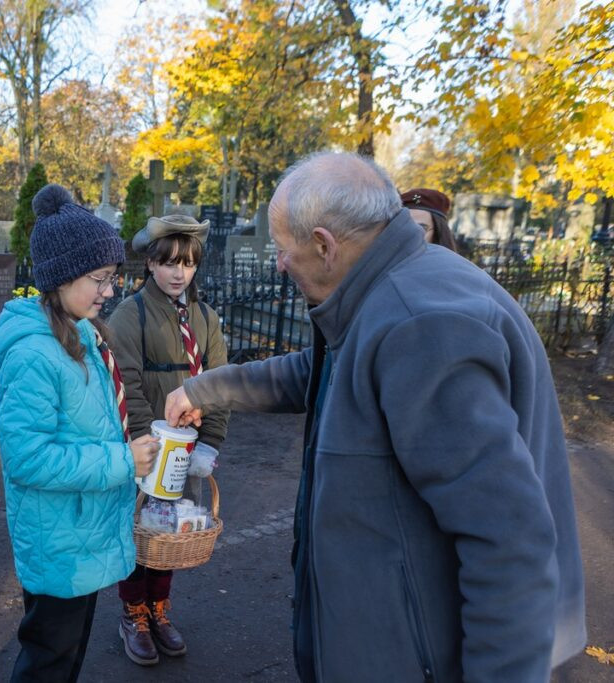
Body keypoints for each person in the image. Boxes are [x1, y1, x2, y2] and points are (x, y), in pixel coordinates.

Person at [165, 151, 586, 682]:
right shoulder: (384, 294)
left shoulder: (420, 325)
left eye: (283, 250)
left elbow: (509, 544)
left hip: (420, 657)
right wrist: (206, 387)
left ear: (324, 245)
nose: (279, 265)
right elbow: (316, 375)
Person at [0, 184, 160, 682]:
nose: (110, 290)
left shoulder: (81, 332)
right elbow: (29, 459)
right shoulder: (33, 355)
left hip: (81, 530)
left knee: (66, 654)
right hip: (59, 537)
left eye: (113, 278)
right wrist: (124, 462)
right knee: (48, 659)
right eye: (100, 278)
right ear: (62, 276)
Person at [106, 214, 229, 665]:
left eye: (189, 264)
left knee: (172, 532)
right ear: (151, 264)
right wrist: (144, 444)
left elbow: (220, 384)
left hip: (189, 449)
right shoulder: (130, 313)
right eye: (170, 263)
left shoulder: (207, 318)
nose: (180, 273)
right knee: (139, 532)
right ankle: (133, 611)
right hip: (148, 446)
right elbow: (128, 383)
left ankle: (159, 608)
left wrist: (209, 443)